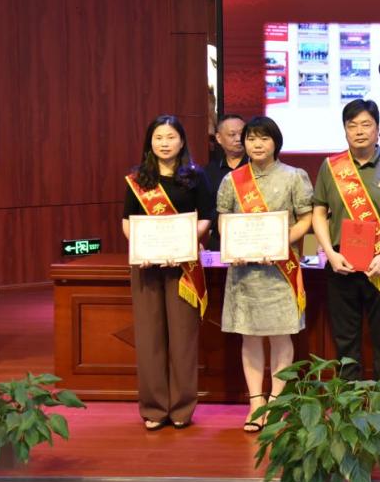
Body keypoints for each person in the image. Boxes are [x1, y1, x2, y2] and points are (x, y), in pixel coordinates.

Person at [216, 116, 313, 432]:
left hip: (280, 270)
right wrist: (233, 244)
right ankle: (256, 402)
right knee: (250, 335)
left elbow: (306, 218)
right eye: (251, 138)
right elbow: (224, 219)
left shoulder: (294, 176)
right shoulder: (232, 180)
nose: (257, 144)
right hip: (245, 271)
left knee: (281, 335)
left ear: (276, 142)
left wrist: (280, 242)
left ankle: (277, 401)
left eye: (264, 138)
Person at [311, 99, 380, 382]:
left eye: (366, 124)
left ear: (377, 129)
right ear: (345, 130)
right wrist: (330, 254)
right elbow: (318, 212)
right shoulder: (330, 167)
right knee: (346, 344)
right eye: (352, 125)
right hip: (341, 265)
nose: (359, 131)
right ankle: (349, 404)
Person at [122, 115, 213, 431]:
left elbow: (207, 217)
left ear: (182, 141)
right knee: (150, 339)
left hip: (182, 266)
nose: (164, 143)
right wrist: (143, 249)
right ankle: (154, 408)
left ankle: (182, 408)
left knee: (183, 339)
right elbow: (127, 221)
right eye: (158, 137)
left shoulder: (195, 176)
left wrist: (185, 242)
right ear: (150, 142)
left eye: (171, 137)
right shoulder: (138, 179)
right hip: (147, 266)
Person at [205, 113, 247, 251]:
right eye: (232, 134)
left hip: (253, 236)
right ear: (219, 138)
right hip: (220, 240)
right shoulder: (209, 171)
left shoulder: (258, 168)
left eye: (242, 133)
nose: (238, 139)